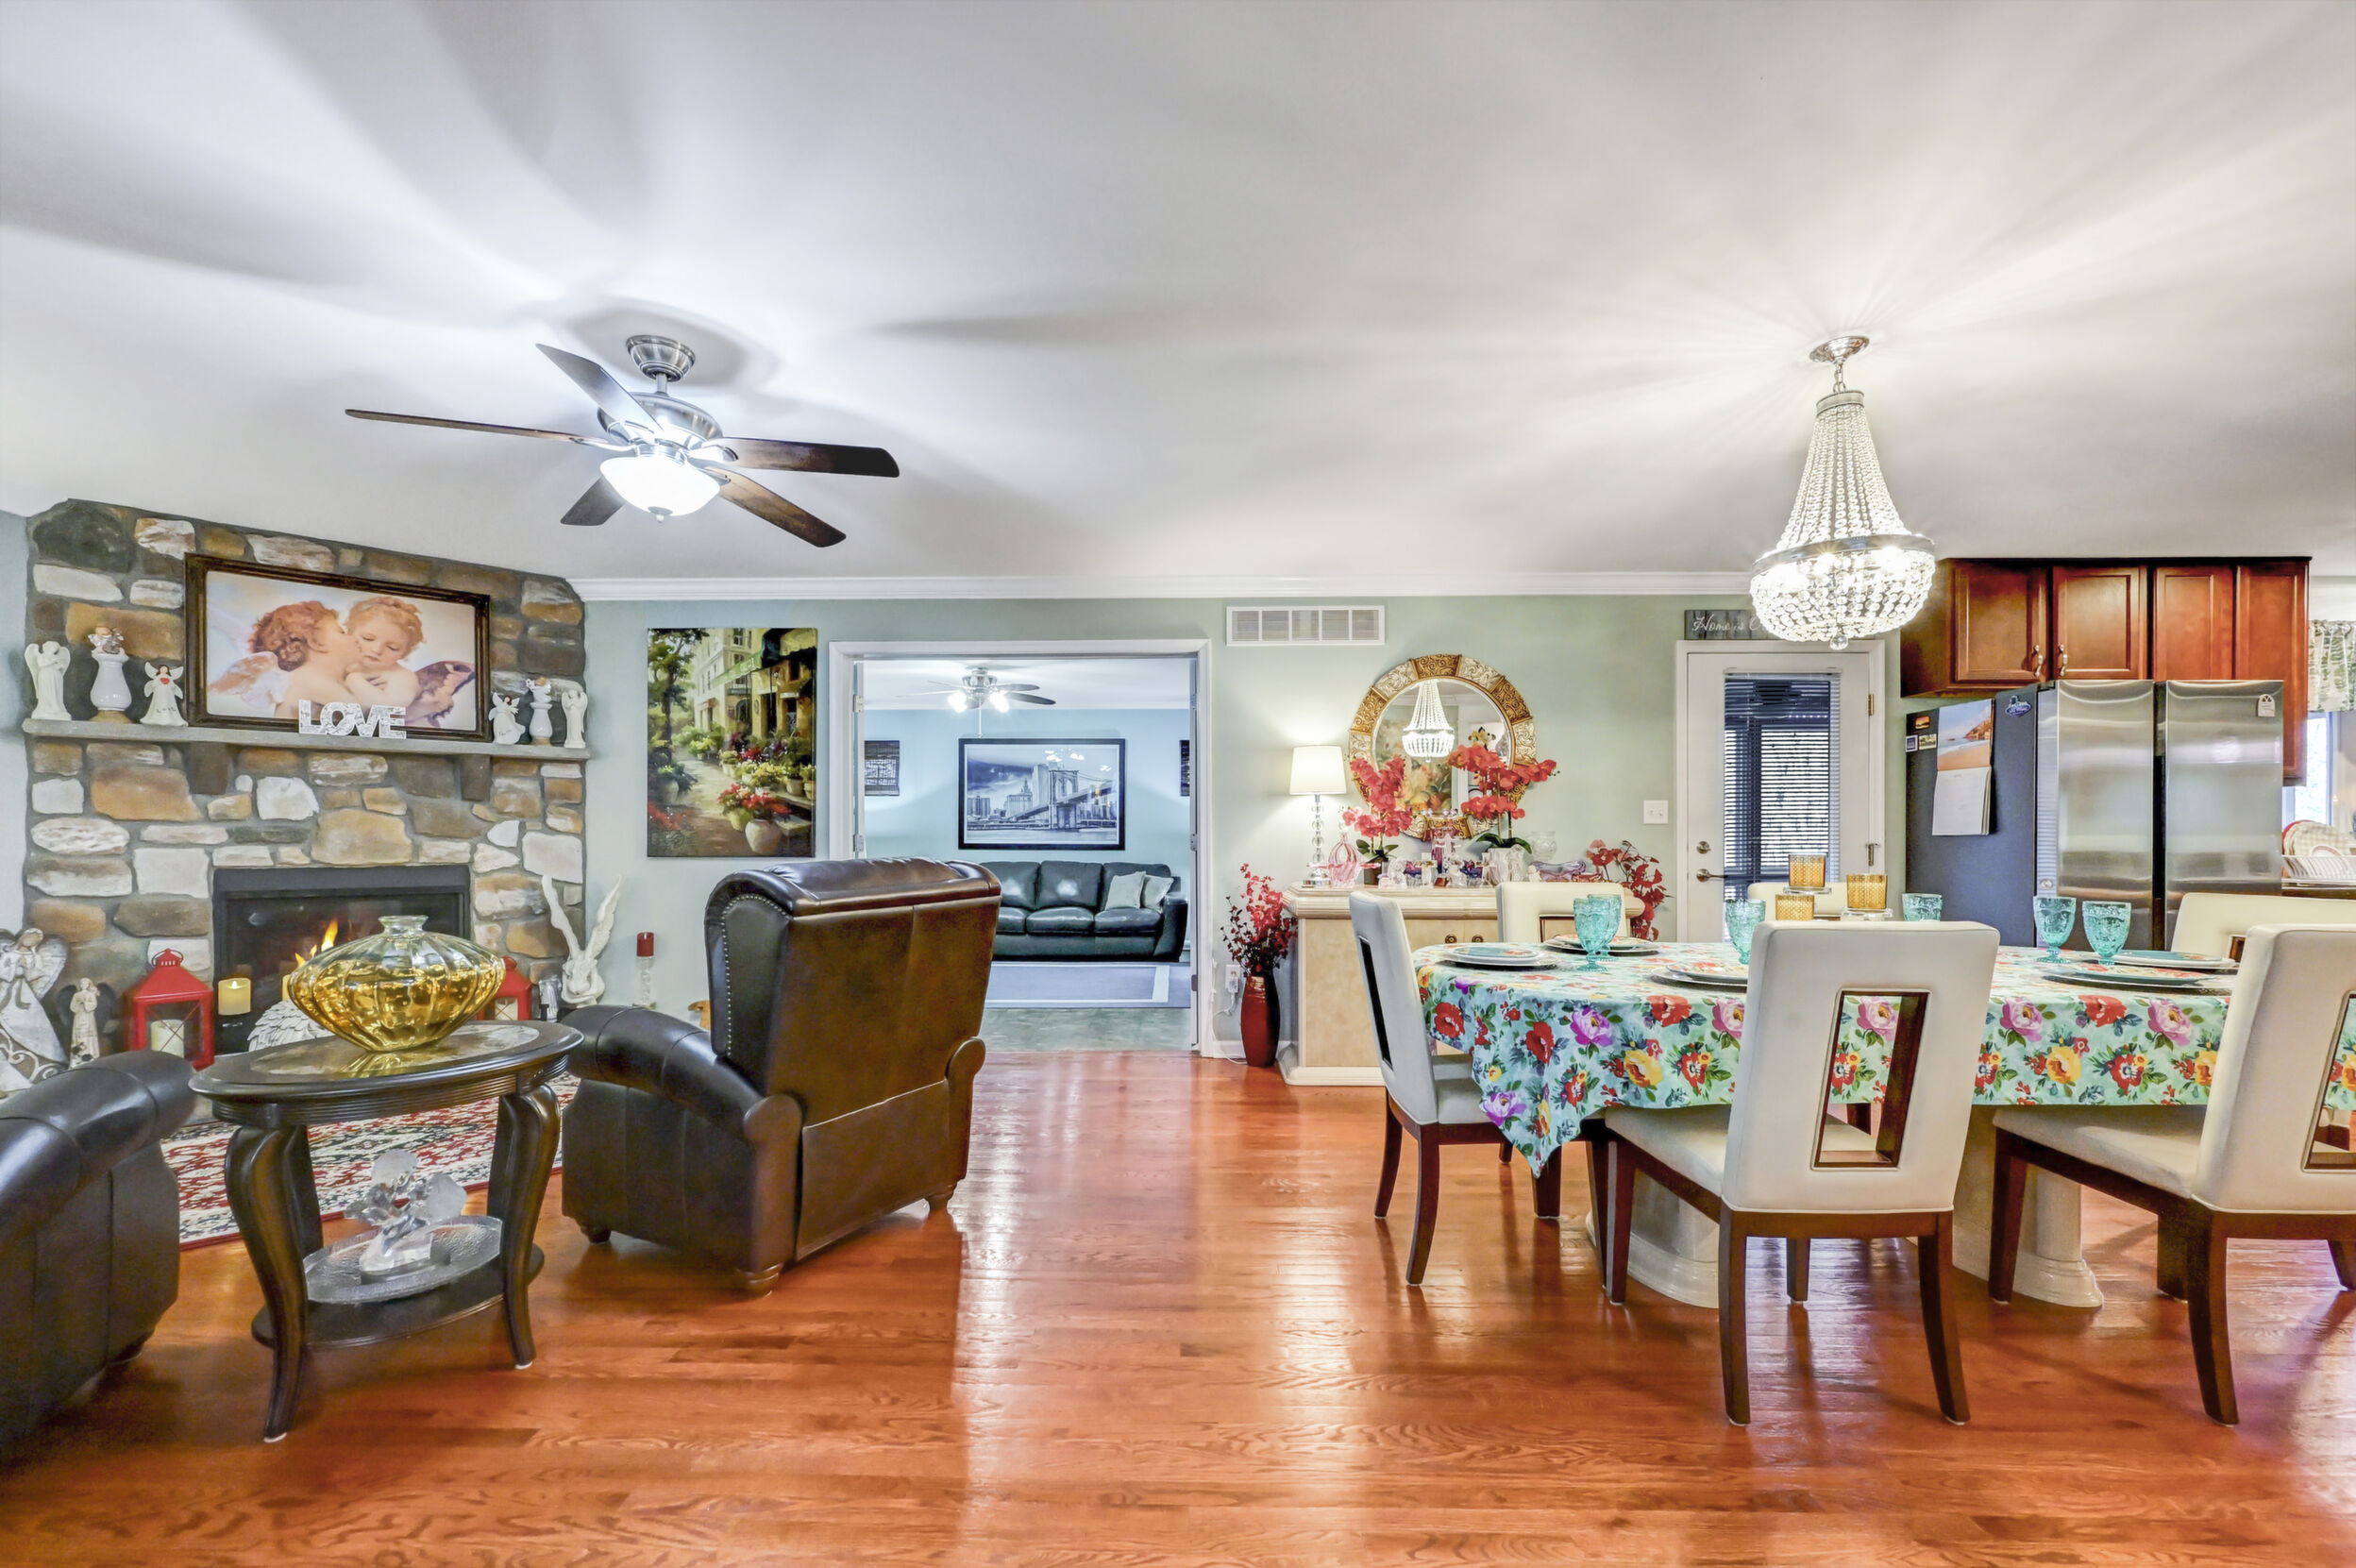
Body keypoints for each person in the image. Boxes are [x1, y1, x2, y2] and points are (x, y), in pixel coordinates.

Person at [343, 596, 428, 709]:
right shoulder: (340, 662)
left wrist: (354, 681)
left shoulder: (402, 677)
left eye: (392, 648)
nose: (377, 650)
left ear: (404, 652)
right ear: (350, 633)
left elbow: (390, 709)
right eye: (368, 638)